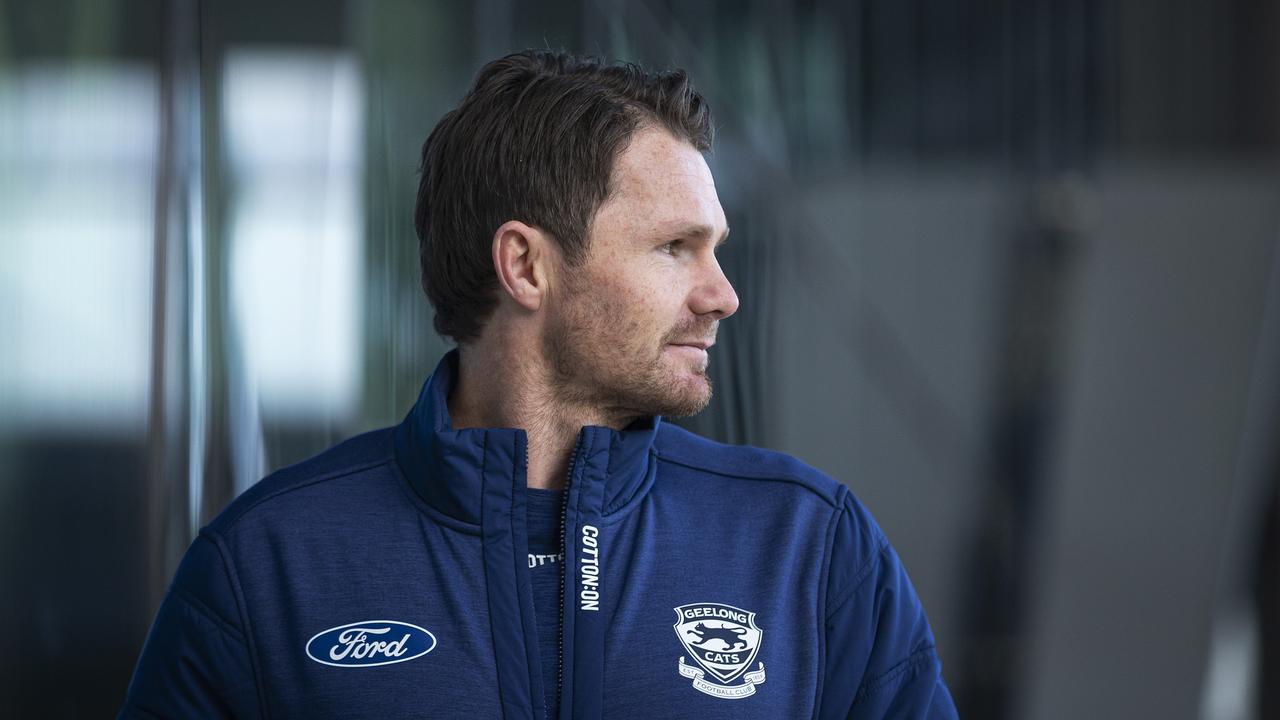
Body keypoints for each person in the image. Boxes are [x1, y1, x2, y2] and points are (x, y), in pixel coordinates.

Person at [121, 49, 957, 719]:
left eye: (718, 248)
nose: (723, 294)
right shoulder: (268, 566)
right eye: (675, 248)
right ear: (525, 265)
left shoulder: (806, 548)